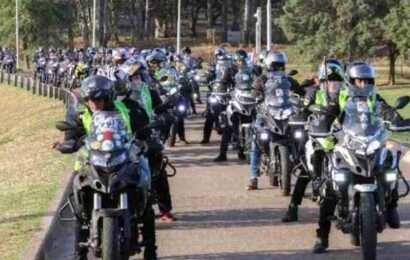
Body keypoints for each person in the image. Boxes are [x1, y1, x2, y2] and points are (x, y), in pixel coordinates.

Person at [53, 75, 158, 260]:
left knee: (146, 195)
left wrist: (149, 140)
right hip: (91, 161)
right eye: (89, 99)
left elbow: (145, 128)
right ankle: (79, 253)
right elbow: (70, 135)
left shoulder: (128, 108)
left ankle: (151, 250)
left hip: (124, 157)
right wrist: (68, 144)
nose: (93, 103)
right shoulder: (80, 114)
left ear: (109, 97)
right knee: (79, 206)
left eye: (98, 98)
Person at [312, 62, 402, 254]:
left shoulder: (374, 98)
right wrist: (322, 124)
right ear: (351, 81)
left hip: (371, 144)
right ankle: (322, 236)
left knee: (390, 165)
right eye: (359, 81)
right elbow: (330, 113)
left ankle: (391, 205)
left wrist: (397, 119)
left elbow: (387, 110)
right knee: (330, 189)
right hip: (347, 145)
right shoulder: (341, 97)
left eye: (367, 81)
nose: (363, 84)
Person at [281, 59, 343, 217]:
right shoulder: (315, 93)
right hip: (319, 136)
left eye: (337, 81)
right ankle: (293, 207)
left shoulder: (346, 95)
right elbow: (304, 110)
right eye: (329, 81)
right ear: (322, 81)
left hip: (341, 138)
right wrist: (300, 115)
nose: (333, 85)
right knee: (305, 169)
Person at [214, 49, 255, 162]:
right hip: (235, 99)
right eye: (238, 61)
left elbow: (258, 81)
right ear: (235, 61)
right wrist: (222, 93)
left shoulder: (251, 70)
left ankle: (246, 151)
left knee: (254, 123)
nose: (240, 62)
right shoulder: (230, 70)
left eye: (242, 60)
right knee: (229, 127)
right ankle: (222, 154)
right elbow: (223, 82)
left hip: (249, 99)